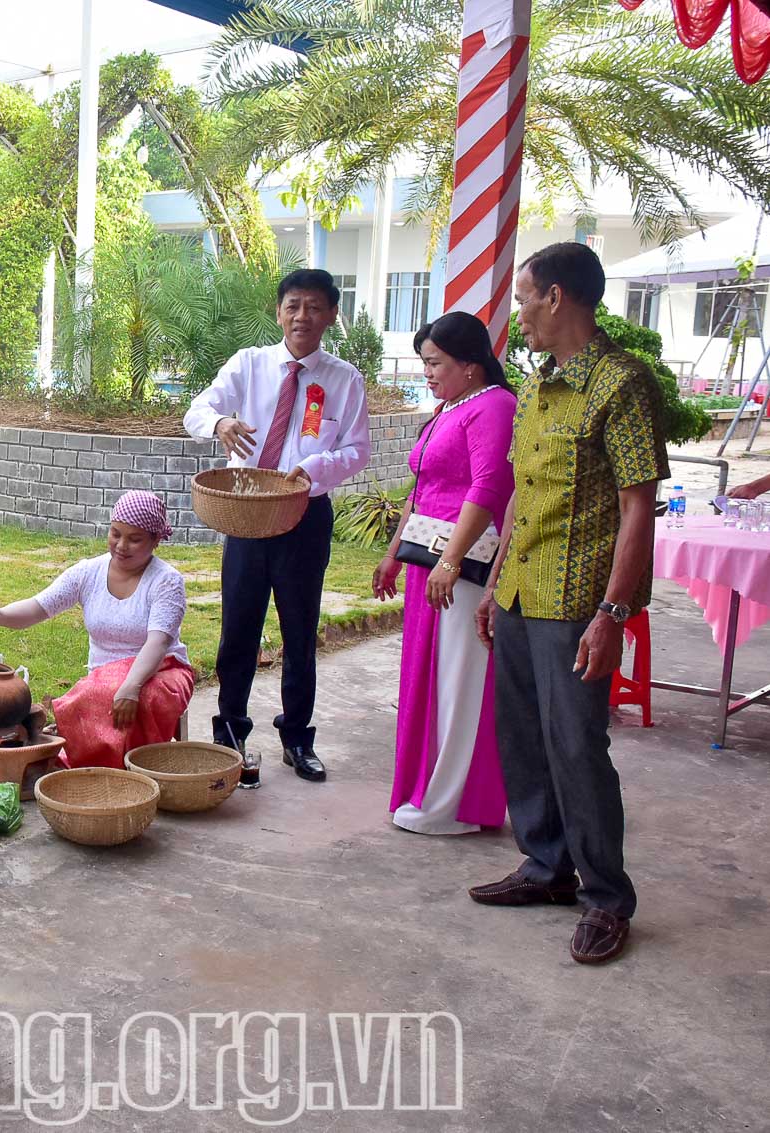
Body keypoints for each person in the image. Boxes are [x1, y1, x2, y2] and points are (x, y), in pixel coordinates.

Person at [472, 242, 667, 966]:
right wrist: (494, 585)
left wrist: (613, 615)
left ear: (556, 297)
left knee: (577, 748)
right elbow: (525, 488)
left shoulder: (620, 383)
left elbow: (636, 505)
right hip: (523, 589)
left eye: (523, 297)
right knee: (522, 738)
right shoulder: (538, 383)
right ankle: (545, 866)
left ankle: (605, 897)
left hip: (578, 602)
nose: (517, 312)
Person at [183, 268, 370, 786]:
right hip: (248, 513)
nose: (302, 316)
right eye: (293, 305)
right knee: (238, 628)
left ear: (332, 315)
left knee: (299, 632)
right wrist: (220, 424)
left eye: (314, 307)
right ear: (279, 310)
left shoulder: (343, 379)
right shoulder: (251, 364)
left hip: (305, 517)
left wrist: (312, 471)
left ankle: (296, 738)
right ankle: (230, 732)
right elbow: (198, 409)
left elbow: (357, 450)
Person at [372, 313, 515, 835]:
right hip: (428, 563)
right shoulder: (449, 408)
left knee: (458, 679)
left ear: (470, 365)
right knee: (426, 677)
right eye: (425, 363)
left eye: (434, 363)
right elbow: (421, 489)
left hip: (463, 568)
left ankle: (451, 803)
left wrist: (452, 562)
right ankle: (425, 789)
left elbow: (489, 488)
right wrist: (393, 553)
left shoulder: (495, 407)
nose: (427, 373)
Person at [0, 491, 196, 770]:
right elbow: (39, 607)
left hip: (163, 671)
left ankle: (134, 767)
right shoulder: (88, 572)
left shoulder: (167, 581)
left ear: (155, 540)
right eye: (116, 534)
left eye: (135, 539)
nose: (121, 545)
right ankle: (100, 767)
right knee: (97, 692)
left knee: (140, 697)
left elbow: (158, 643)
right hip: (103, 678)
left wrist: (131, 686)